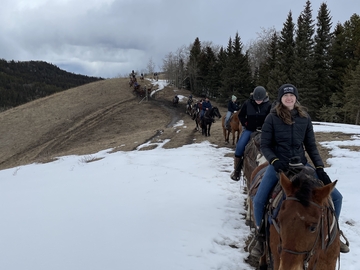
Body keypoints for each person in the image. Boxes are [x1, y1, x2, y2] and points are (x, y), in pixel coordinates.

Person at [251, 83, 350, 257]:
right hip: (278, 165)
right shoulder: (272, 118)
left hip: (302, 165)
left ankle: (333, 234)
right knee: (259, 200)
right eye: (285, 95)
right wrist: (275, 161)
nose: (289, 98)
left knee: (337, 197)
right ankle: (260, 236)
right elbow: (265, 145)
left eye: (292, 95)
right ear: (280, 98)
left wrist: (319, 168)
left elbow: (311, 145)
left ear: (296, 98)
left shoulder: (304, 118)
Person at [230, 86, 271, 181]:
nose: (258, 101)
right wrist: (245, 123)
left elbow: (272, 118)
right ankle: (237, 171)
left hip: (265, 131)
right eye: (256, 99)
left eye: (260, 99)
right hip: (250, 130)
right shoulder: (247, 103)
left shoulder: (269, 105)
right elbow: (241, 115)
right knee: (240, 146)